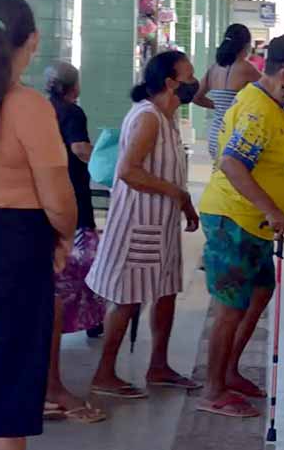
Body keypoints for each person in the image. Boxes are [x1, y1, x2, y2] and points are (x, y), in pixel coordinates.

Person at [0, 0, 76, 450]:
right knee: (5, 396)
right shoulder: (28, 107)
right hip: (12, 253)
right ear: (32, 40)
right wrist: (63, 238)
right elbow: (58, 200)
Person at [198, 31, 284, 417]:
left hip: (252, 223)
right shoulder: (256, 107)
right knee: (230, 307)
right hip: (234, 218)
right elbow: (234, 163)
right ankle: (213, 389)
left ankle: (230, 370)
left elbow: (264, 148)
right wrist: (272, 209)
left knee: (259, 292)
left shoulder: (267, 105)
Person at [86, 51, 202, 399]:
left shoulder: (167, 117)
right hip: (138, 223)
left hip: (160, 224)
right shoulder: (148, 117)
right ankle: (104, 373)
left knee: (166, 291)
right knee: (128, 298)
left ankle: (159, 366)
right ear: (170, 82)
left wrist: (185, 204)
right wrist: (177, 194)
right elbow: (128, 171)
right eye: (188, 76)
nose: (192, 84)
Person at [44, 61, 107, 423]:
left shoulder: (39, 108)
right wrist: (102, 154)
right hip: (70, 205)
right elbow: (81, 150)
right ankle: (87, 320)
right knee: (83, 266)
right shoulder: (73, 111)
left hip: (44, 206)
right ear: (74, 87)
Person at [193, 23, 262, 160]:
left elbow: (195, 96)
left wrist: (218, 105)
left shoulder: (214, 68)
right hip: (234, 135)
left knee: (219, 175)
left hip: (214, 135)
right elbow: (269, 91)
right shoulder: (247, 68)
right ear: (246, 46)